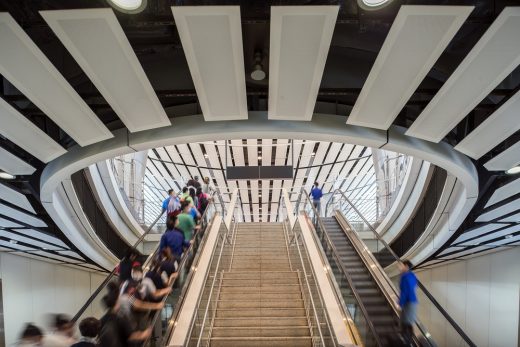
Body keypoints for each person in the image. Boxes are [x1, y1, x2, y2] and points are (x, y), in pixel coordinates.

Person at [99, 282, 152, 347]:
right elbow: (133, 336)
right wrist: (146, 332)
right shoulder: (120, 318)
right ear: (116, 302)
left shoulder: (102, 320)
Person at [398, 259, 418, 345]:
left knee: (406, 322)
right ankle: (406, 340)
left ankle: (406, 341)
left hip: (408, 302)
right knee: (406, 322)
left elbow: (405, 291)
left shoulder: (405, 277)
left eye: (401, 265)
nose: (399, 267)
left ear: (406, 266)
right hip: (412, 302)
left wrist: (400, 303)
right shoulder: (412, 275)